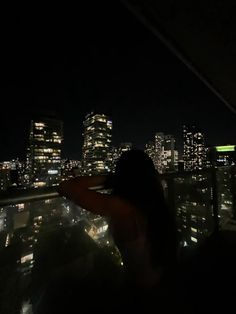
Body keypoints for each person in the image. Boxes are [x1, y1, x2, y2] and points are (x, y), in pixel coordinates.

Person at [58, 150, 177, 291]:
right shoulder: (155, 200)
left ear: (122, 175)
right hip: (164, 280)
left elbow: (65, 187)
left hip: (140, 290)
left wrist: (108, 179)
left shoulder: (121, 207)